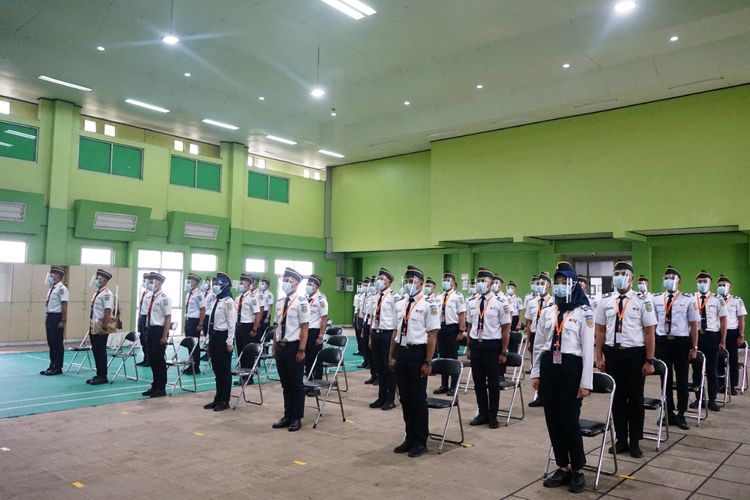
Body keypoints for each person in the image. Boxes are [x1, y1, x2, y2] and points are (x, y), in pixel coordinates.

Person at [531, 261, 594, 493]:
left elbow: (588, 350)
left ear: (573, 285)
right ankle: (563, 466)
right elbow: (539, 344)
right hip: (550, 366)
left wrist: (586, 383)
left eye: (563, 282)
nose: (558, 287)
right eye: (555, 283)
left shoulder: (584, 312)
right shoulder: (549, 310)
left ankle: (578, 469)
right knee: (553, 419)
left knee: (569, 421)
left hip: (571, 367)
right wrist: (536, 372)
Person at [594, 261, 656, 458]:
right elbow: (600, 331)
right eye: (617, 273)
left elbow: (649, 333)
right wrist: (599, 357)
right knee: (617, 398)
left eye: (625, 273)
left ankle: (635, 441)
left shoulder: (642, 301)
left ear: (632, 278)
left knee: (636, 399)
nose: (621, 276)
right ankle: (621, 438)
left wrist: (649, 360)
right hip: (613, 354)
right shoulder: (605, 301)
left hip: (635, 355)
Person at [388, 265, 439, 457]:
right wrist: (391, 356)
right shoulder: (400, 303)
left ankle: (420, 440)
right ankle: (409, 437)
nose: (409, 285)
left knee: (418, 399)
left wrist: (428, 361)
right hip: (401, 353)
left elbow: (432, 335)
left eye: (412, 282)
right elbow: (394, 332)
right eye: (407, 281)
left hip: (418, 354)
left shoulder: (429, 305)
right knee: (405, 398)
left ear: (421, 284)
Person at [653, 265, 700, 430]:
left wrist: (694, 346)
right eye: (666, 278)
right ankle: (668, 413)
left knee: (681, 380)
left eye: (672, 278)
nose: (669, 281)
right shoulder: (656, 299)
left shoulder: (688, 300)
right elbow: (652, 324)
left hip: (681, 343)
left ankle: (681, 414)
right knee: (664, 381)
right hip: (662, 343)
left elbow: (694, 325)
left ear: (679, 281)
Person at [467, 268, 511, 429]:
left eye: (484, 281)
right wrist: (469, 348)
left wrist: (504, 351)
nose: (480, 284)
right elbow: (470, 325)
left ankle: (493, 415)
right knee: (478, 382)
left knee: (492, 383)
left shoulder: (501, 302)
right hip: (476, 345)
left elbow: (506, 328)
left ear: (492, 283)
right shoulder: (472, 301)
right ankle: (483, 413)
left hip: (492, 345)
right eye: (478, 281)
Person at [271, 267, 310, 432]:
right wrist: (274, 345)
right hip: (281, 346)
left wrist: (301, 350)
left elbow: (305, 328)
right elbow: (277, 326)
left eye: (289, 281)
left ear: (296, 284)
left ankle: (296, 417)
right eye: (284, 280)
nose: (285, 283)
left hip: (294, 347)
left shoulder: (301, 303)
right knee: (285, 384)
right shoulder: (280, 302)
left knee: (296, 384)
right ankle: (287, 415)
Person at [690, 271, 727, 412]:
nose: (702, 284)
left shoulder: (718, 299)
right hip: (696, 336)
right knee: (696, 370)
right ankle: (698, 399)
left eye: (705, 281)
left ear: (710, 283)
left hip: (712, 336)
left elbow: (723, 321)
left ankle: (712, 400)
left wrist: (722, 340)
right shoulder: (692, 298)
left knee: (711, 370)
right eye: (699, 281)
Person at [203, 272, 237, 412]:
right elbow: (210, 318)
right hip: (214, 337)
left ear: (225, 286)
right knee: (217, 369)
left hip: (223, 338)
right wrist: (208, 338)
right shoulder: (216, 301)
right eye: (214, 284)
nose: (215, 287)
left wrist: (230, 342)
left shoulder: (229, 302)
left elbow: (231, 324)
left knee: (224, 370)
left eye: (218, 284)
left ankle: (225, 400)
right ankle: (217, 398)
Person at [369, 268, 398, 411]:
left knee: (389, 368)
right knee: (379, 367)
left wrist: (394, 339)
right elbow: (373, 317)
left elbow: (397, 321)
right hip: (376, 333)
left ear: (389, 281)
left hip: (388, 334)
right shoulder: (375, 296)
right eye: (378, 278)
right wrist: (370, 336)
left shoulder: (394, 297)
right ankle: (381, 397)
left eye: (382, 278)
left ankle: (390, 398)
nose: (378, 281)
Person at [433, 272, 466, 396]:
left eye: (448, 280)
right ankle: (444, 385)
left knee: (452, 358)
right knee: (443, 357)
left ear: (453, 283)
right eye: (444, 279)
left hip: (453, 329)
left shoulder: (458, 296)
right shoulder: (439, 296)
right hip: (441, 328)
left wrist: (461, 331)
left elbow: (461, 314)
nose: (445, 282)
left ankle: (454, 385)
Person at [142, 273, 172, 398]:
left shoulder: (164, 298)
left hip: (159, 331)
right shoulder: (151, 297)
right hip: (151, 330)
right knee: (153, 359)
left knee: (159, 360)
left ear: (159, 283)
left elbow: (168, 317)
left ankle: (161, 387)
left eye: (151, 281)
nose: (149, 284)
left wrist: (164, 336)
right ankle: (155, 385)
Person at [716, 275, 746, 395]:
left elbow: (741, 318)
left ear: (730, 288)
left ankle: (732, 386)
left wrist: (741, 335)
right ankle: (720, 385)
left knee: (732, 361)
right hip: (717, 333)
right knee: (718, 360)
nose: (721, 287)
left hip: (732, 333)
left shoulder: (737, 300)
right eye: (719, 285)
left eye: (724, 285)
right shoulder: (714, 299)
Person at [527, 272, 553, 407]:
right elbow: (528, 322)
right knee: (536, 363)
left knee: (547, 365)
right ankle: (540, 395)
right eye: (538, 283)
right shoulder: (531, 302)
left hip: (547, 335)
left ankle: (548, 394)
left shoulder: (553, 302)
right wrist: (528, 339)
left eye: (543, 283)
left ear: (549, 286)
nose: (540, 286)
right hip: (534, 333)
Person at [87, 269, 115, 385]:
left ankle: (103, 376)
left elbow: (108, 310)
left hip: (101, 324)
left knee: (100, 350)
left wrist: (105, 325)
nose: (96, 280)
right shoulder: (98, 293)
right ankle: (99, 374)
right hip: (94, 323)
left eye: (99, 278)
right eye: (97, 277)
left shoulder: (107, 294)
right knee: (96, 350)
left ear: (104, 280)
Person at [235, 273, 262, 385]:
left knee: (248, 353)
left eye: (243, 282)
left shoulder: (252, 297)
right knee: (240, 352)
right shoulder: (238, 298)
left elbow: (257, 313)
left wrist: (255, 328)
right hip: (239, 326)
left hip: (247, 326)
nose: (241, 284)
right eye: (240, 282)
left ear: (249, 284)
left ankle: (249, 377)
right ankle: (243, 376)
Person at [42, 266, 69, 376]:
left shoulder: (61, 288)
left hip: (57, 317)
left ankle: (58, 367)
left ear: (57, 276)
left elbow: (64, 304)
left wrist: (63, 319)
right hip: (50, 317)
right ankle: (52, 365)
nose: (50, 277)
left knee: (57, 343)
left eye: (52, 275)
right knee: (51, 342)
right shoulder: (52, 288)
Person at [304, 274, 328, 382]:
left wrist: (321, 336)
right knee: (307, 359)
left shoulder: (320, 299)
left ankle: (317, 384)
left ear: (317, 287)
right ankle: (309, 382)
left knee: (316, 359)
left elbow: (324, 318)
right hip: (305, 332)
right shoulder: (305, 298)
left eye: (310, 284)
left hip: (315, 332)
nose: (307, 286)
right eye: (307, 284)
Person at [183, 273, 205, 375]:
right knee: (189, 344)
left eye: (189, 281)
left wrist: (200, 324)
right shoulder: (189, 294)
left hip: (195, 321)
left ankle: (196, 366)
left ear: (195, 282)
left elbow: (202, 309)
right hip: (188, 320)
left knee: (195, 345)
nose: (188, 283)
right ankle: (191, 364)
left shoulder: (199, 294)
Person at [136, 273, 153, 367]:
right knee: (142, 338)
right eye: (143, 280)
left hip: (147, 318)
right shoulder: (144, 293)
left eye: (146, 280)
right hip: (141, 317)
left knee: (147, 339)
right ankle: (145, 357)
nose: (144, 282)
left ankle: (149, 359)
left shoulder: (151, 294)